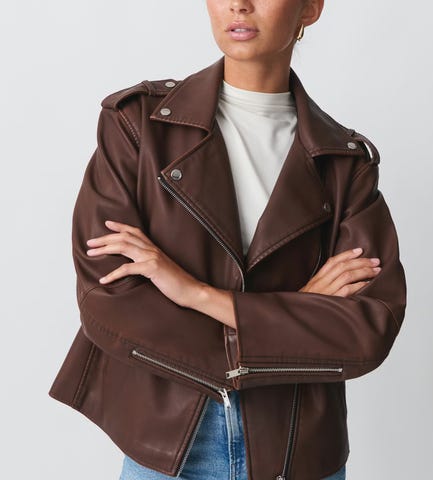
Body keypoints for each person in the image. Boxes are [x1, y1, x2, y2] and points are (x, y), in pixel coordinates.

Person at [48, 1, 407, 479]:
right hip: (168, 450)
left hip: (297, 453)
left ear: (310, 8)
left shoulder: (344, 161)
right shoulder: (139, 125)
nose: (239, 4)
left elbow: (368, 328)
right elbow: (108, 300)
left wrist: (198, 294)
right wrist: (292, 314)